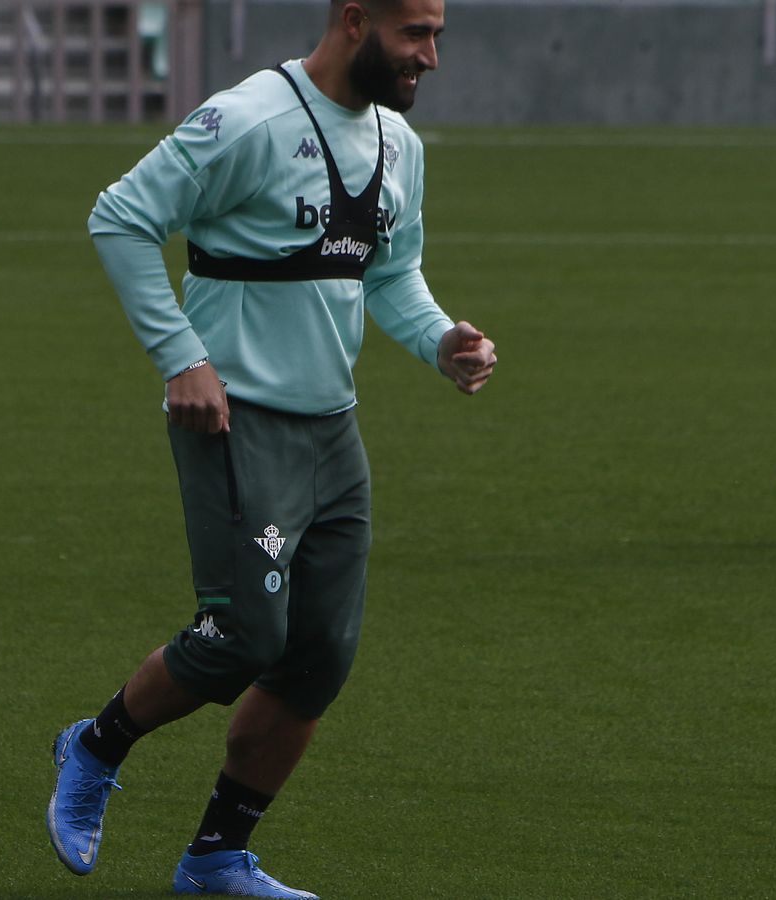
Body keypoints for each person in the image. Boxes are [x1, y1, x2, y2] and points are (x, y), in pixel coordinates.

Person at [47, 2, 495, 897]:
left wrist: (441, 339)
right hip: (234, 424)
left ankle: (215, 858)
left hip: (334, 432)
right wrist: (184, 359)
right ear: (355, 21)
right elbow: (121, 216)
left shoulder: (400, 146)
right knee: (242, 636)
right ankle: (94, 746)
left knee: (320, 657)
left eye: (438, 34)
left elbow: (388, 273)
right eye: (417, 34)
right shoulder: (246, 119)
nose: (432, 57)